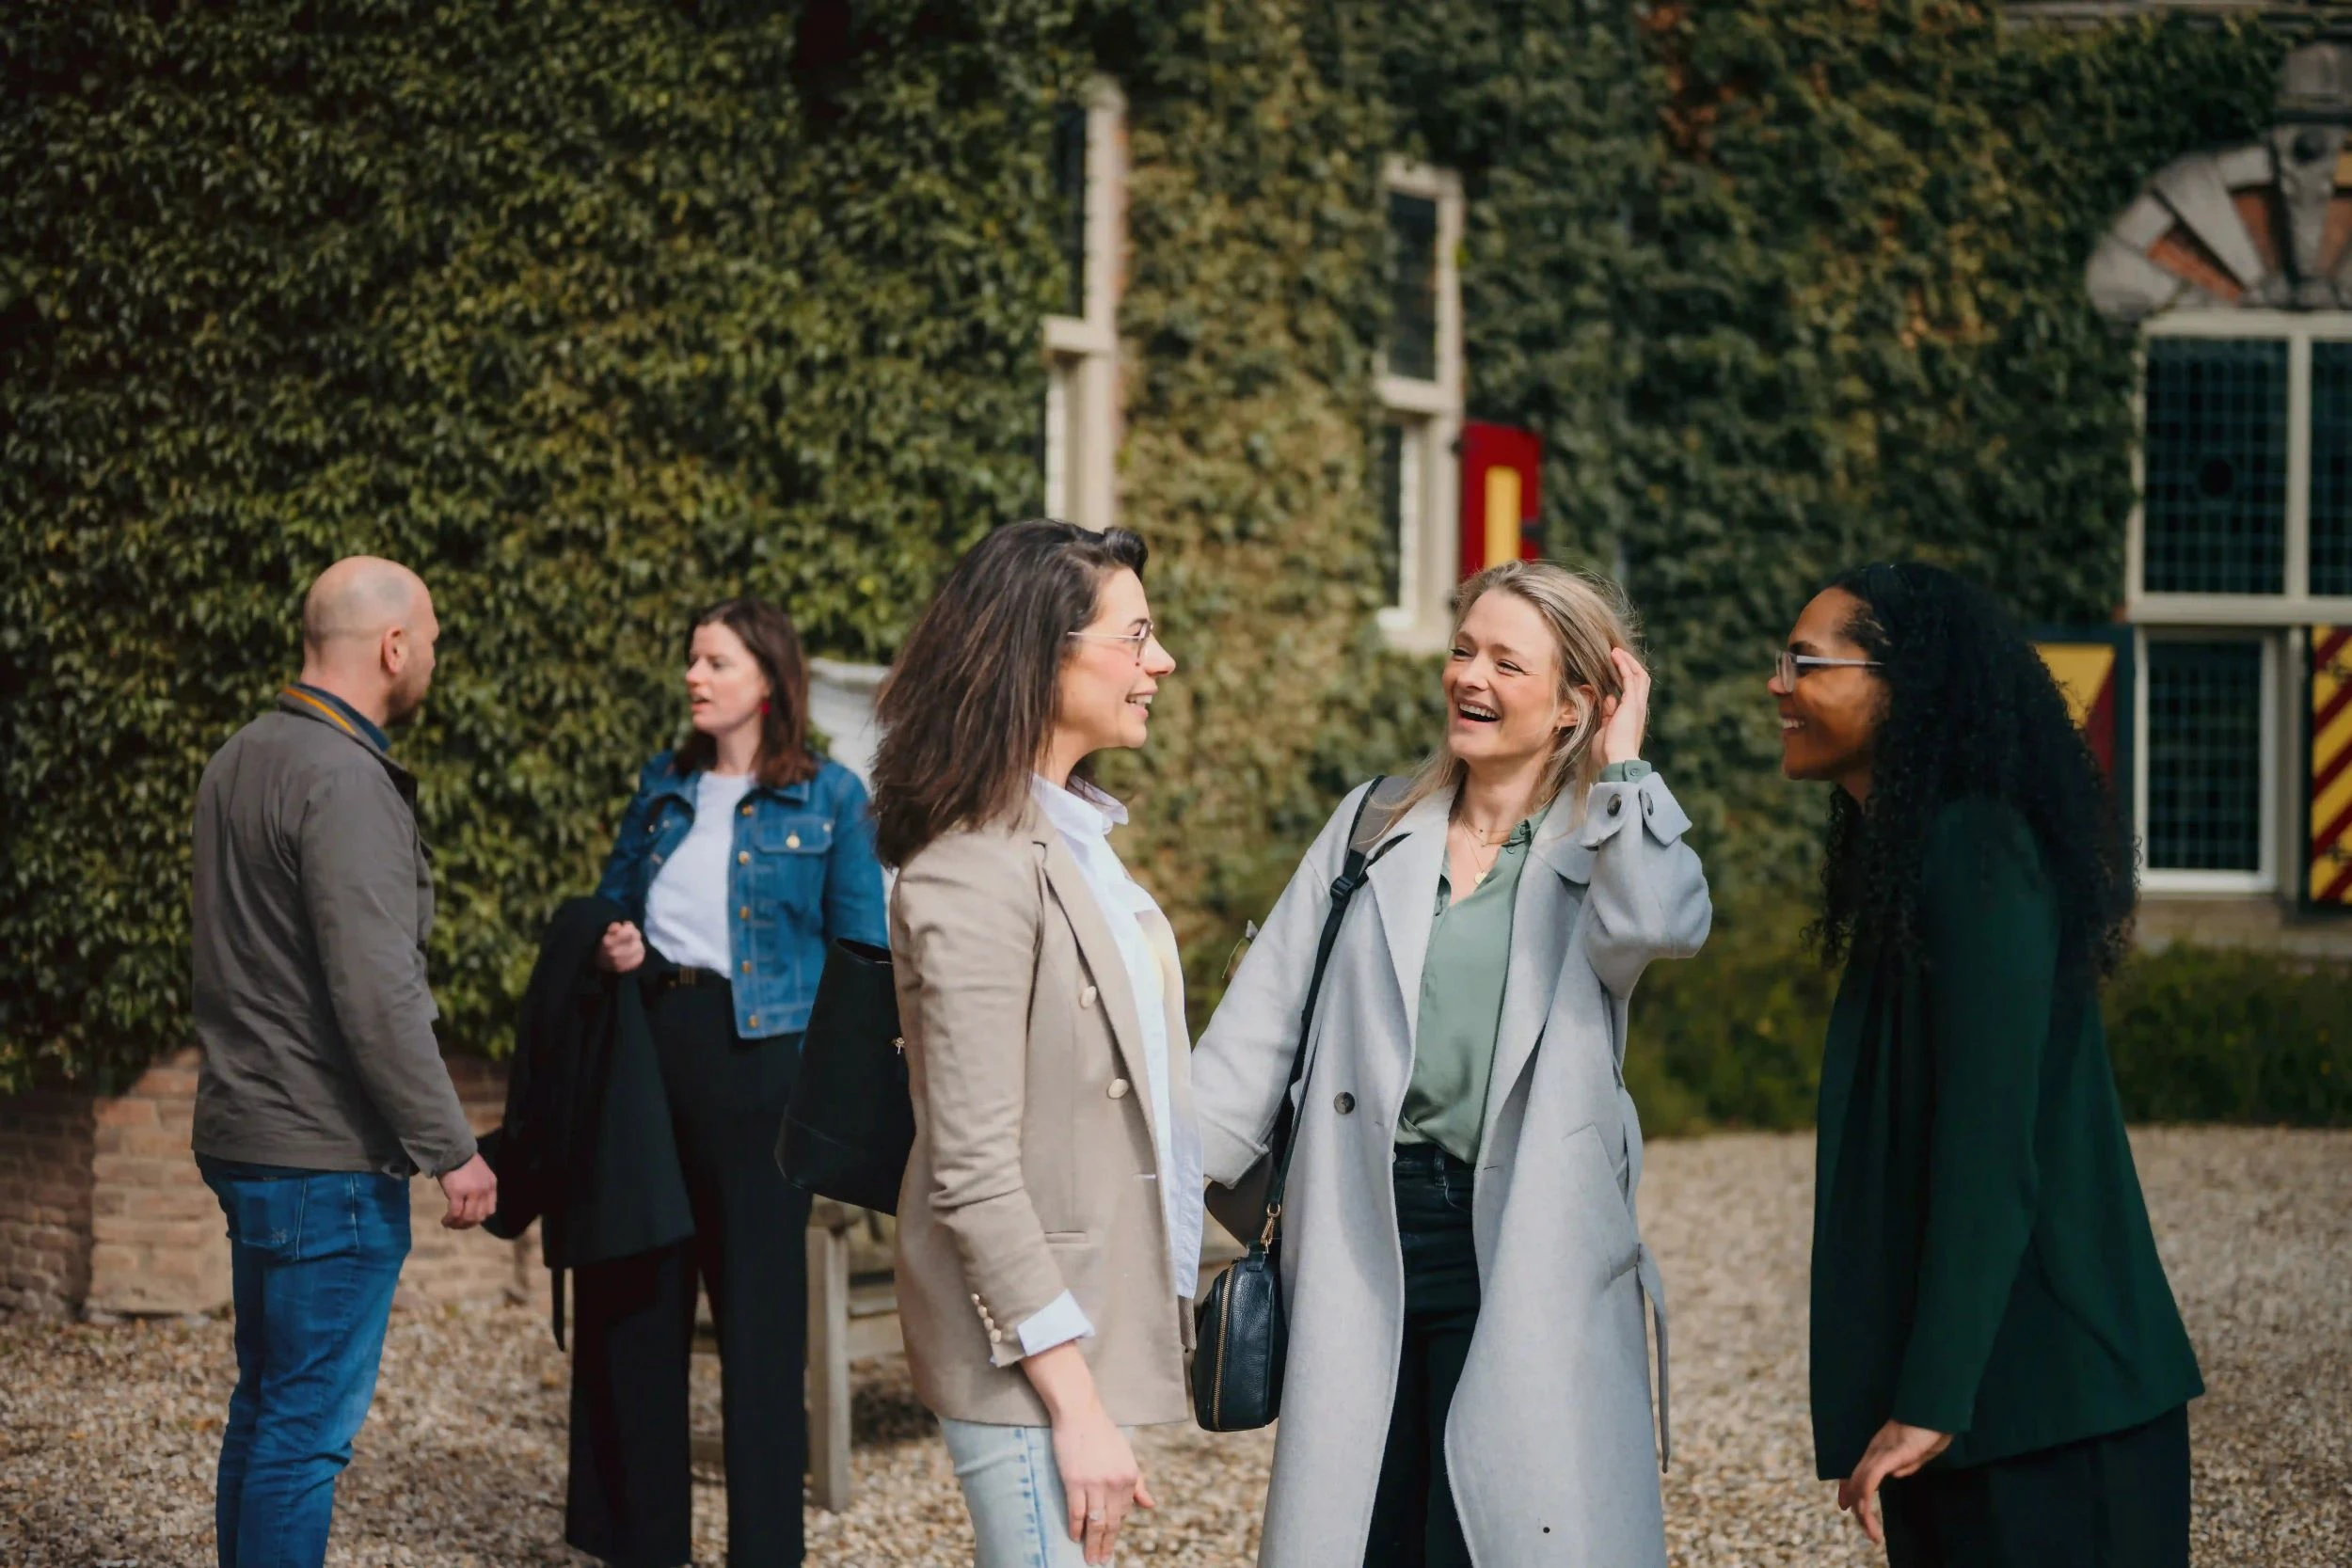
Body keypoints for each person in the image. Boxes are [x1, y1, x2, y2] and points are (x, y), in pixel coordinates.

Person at [1190, 560, 1710, 1568]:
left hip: (1524, 1235)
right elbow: (1256, 1023)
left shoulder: (1597, 846)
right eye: (1463, 649)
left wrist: (1628, 763)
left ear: (1572, 705)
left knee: (1491, 1527)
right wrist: (1166, 1202)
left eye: (1506, 662)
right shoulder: (1371, 823)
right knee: (1369, 1522)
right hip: (1361, 1224)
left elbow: (1661, 920)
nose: (1469, 676)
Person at [1775, 562, 2203, 1567]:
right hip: (1990, 1407)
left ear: (1905, 685)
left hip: (2052, 1411)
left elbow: (1987, 1143)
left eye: (1805, 661)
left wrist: (1926, 1402)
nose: (1777, 684)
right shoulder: (1919, 854)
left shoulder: (1977, 854)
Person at [870, 519, 1196, 1568]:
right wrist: (1073, 1400)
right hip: (1025, 1351)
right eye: (1136, 635)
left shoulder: (1080, 838)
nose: (1162, 662)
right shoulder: (972, 867)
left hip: (1083, 1324)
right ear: (1045, 654)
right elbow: (969, 1167)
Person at [191, 555, 497, 1568]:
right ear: (392, 645)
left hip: (248, 1136)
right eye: (436, 639)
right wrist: (453, 1147)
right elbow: (378, 993)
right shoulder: (345, 778)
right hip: (325, 1158)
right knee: (304, 1432)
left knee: (266, 1407)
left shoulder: (238, 756)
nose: (434, 659)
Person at [573, 596, 886, 1567]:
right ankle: (646, 1544)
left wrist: (831, 1098)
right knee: (642, 1310)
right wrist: (613, 938)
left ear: (767, 679)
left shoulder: (829, 796)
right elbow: (612, 901)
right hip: (652, 1055)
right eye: (692, 660)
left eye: (715, 661)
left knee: (759, 1330)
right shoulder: (662, 787)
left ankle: (764, 1551)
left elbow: (861, 948)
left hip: (763, 1071)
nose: (694, 676)